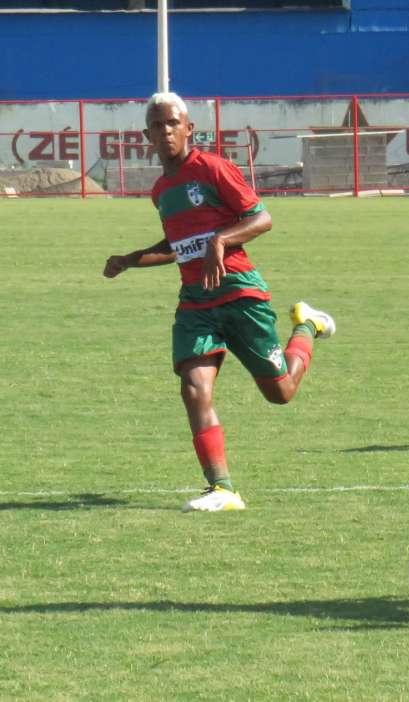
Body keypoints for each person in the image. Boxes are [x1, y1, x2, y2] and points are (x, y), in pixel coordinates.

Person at [103, 92, 335, 512]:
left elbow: (262, 218)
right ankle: (223, 489)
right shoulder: (161, 190)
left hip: (240, 294)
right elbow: (177, 245)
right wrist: (130, 261)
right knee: (193, 389)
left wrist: (221, 240)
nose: (166, 131)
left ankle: (308, 326)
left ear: (189, 129)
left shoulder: (212, 168)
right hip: (196, 303)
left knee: (281, 392)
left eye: (173, 123)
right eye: (157, 125)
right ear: (146, 135)